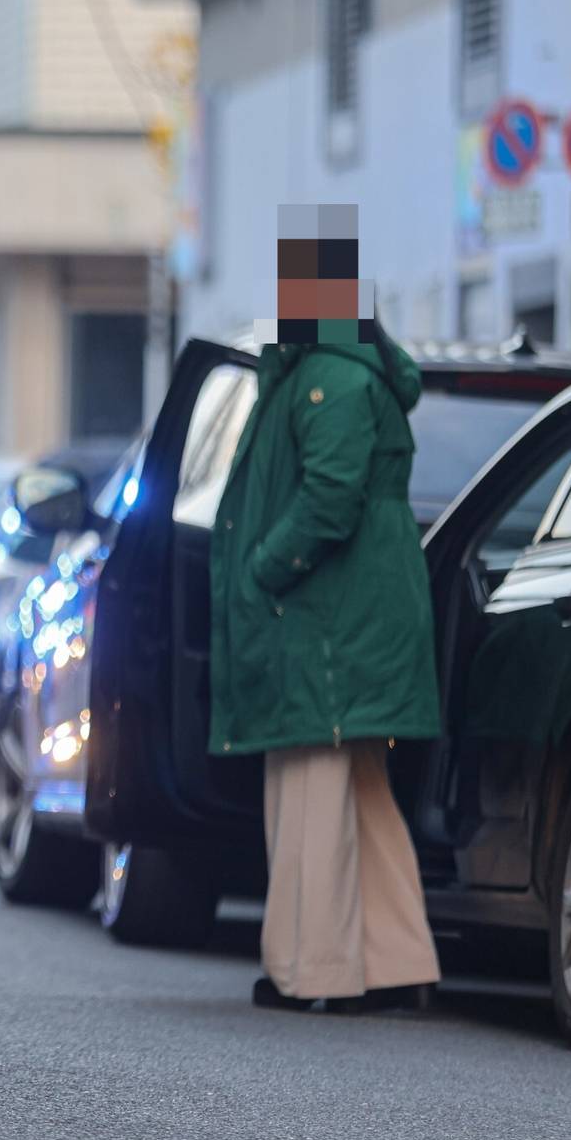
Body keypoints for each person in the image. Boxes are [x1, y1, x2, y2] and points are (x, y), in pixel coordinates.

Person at [210, 325, 442, 1013]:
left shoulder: (332, 376)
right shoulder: (341, 368)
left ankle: (315, 969)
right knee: (357, 787)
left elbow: (330, 497)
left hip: (331, 611)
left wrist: (263, 569)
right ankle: (395, 962)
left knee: (309, 780)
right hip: (351, 604)